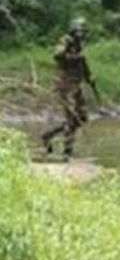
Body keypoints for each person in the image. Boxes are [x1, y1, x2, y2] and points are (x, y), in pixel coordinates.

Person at [41, 17, 97, 160]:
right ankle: (67, 151)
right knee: (71, 117)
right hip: (64, 85)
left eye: (84, 31)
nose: (82, 34)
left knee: (81, 117)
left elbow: (83, 63)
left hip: (75, 85)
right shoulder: (66, 41)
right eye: (80, 31)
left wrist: (89, 77)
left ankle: (49, 134)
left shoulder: (79, 45)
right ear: (74, 30)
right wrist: (74, 56)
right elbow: (57, 55)